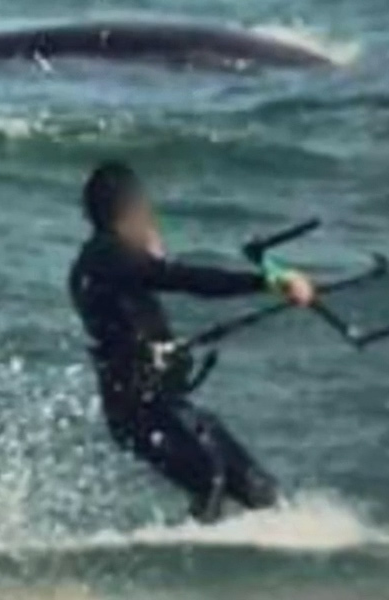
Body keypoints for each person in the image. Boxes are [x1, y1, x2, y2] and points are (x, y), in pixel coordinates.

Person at [67, 161, 317, 523]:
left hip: (165, 404)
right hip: (137, 411)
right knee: (209, 478)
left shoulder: (112, 261)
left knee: (259, 489)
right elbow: (187, 279)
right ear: (132, 209)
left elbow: (153, 287)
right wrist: (268, 282)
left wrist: (150, 259)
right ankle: (191, 565)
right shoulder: (105, 257)